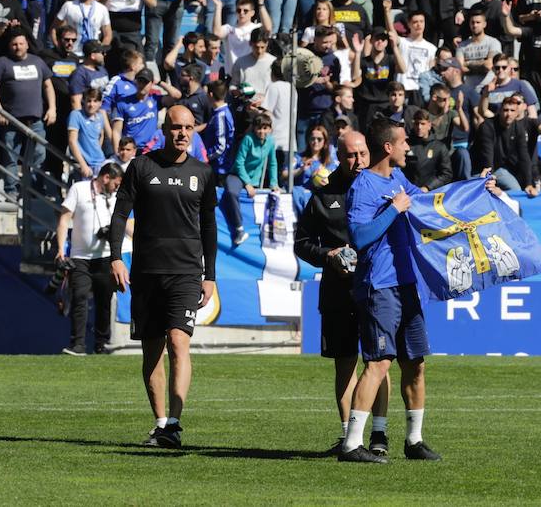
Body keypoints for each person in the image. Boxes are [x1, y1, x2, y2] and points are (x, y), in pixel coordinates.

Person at [109, 104, 218, 449]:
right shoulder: (141, 167)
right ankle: (159, 424)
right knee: (152, 351)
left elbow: (210, 227)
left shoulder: (203, 172)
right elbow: (119, 214)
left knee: (178, 341)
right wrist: (115, 257)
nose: (183, 133)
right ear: (164, 130)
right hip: (146, 272)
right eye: (176, 127)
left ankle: (174, 422)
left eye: (188, 128)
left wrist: (210, 274)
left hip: (185, 272)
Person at [339, 115, 439, 464]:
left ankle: (414, 440)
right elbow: (360, 237)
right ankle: (352, 444)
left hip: (407, 282)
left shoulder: (398, 178)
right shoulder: (362, 186)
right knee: (379, 363)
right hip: (379, 285)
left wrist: (475, 186)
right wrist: (394, 210)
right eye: (403, 142)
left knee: (416, 364)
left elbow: (428, 203)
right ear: (388, 147)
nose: (408, 147)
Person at [294, 130, 391, 456]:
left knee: (380, 362)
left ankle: (379, 435)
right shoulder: (322, 196)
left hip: (377, 288)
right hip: (337, 291)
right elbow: (301, 243)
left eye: (363, 153)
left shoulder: (383, 186)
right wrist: (328, 256)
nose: (359, 161)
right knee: (345, 364)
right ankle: (351, 437)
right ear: (339, 156)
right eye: (351, 155)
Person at [56, 163, 124, 356]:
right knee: (79, 297)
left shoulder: (114, 197)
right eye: (115, 184)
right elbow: (64, 219)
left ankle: (101, 343)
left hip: (104, 257)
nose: (116, 188)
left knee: (104, 301)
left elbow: (123, 224)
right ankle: (77, 344)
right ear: (106, 178)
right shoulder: (79, 189)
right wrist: (61, 249)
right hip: (80, 257)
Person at [0, 31, 56, 200]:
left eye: (21, 44)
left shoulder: (37, 61)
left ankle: (33, 188)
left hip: (36, 119)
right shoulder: (2, 62)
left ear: (27, 45)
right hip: (11, 119)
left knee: (39, 153)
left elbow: (48, 85)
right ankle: (12, 190)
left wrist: (52, 108)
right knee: (10, 156)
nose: (18, 47)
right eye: (14, 44)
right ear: (10, 46)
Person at [222, 113, 280, 246]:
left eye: (265, 128)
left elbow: (272, 163)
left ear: (270, 129)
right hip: (237, 175)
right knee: (231, 193)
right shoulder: (248, 139)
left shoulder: (271, 141)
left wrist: (273, 183)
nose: (262, 131)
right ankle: (239, 229)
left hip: (254, 180)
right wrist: (247, 183)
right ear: (254, 128)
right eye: (259, 128)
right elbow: (239, 163)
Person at [403, 109, 452, 191]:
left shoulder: (439, 147)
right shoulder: (406, 144)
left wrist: (428, 187)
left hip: (431, 193)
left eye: (422, 124)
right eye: (416, 123)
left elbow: (446, 174)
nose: (419, 127)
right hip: (408, 191)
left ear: (429, 125)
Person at [68, 88, 108, 180]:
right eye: (89, 101)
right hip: (84, 165)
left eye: (95, 101)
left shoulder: (100, 117)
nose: (91, 104)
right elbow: (72, 141)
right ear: (84, 101)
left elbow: (100, 135)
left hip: (100, 163)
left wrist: (97, 149)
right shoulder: (76, 115)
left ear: (100, 103)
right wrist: (83, 165)